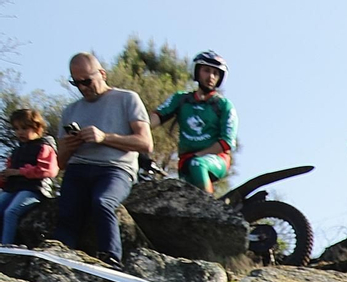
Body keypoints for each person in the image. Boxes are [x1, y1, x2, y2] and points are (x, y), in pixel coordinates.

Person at [54, 52, 152, 267]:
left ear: (102, 74)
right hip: (78, 168)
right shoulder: (70, 111)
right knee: (67, 215)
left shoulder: (127, 98)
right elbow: (60, 164)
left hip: (115, 169)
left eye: (87, 81)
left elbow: (146, 143)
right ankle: (57, 262)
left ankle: (110, 260)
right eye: (76, 83)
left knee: (103, 202)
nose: (82, 87)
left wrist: (104, 137)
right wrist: (69, 147)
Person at [152, 51, 238, 194]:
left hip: (217, 159)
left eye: (215, 73)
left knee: (198, 164)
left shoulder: (224, 105)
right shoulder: (181, 99)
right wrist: (138, 130)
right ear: (197, 72)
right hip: (185, 160)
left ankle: (210, 207)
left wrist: (199, 155)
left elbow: (227, 142)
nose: (211, 76)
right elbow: (157, 117)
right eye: (206, 71)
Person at [0, 108, 59, 245]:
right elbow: (9, 170)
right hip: (13, 188)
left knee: (12, 212)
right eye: (17, 129)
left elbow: (48, 170)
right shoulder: (16, 151)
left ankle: (6, 247)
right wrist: (4, 177)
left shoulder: (44, 146)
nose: (20, 132)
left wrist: (19, 172)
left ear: (37, 127)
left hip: (33, 188)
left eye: (25, 128)